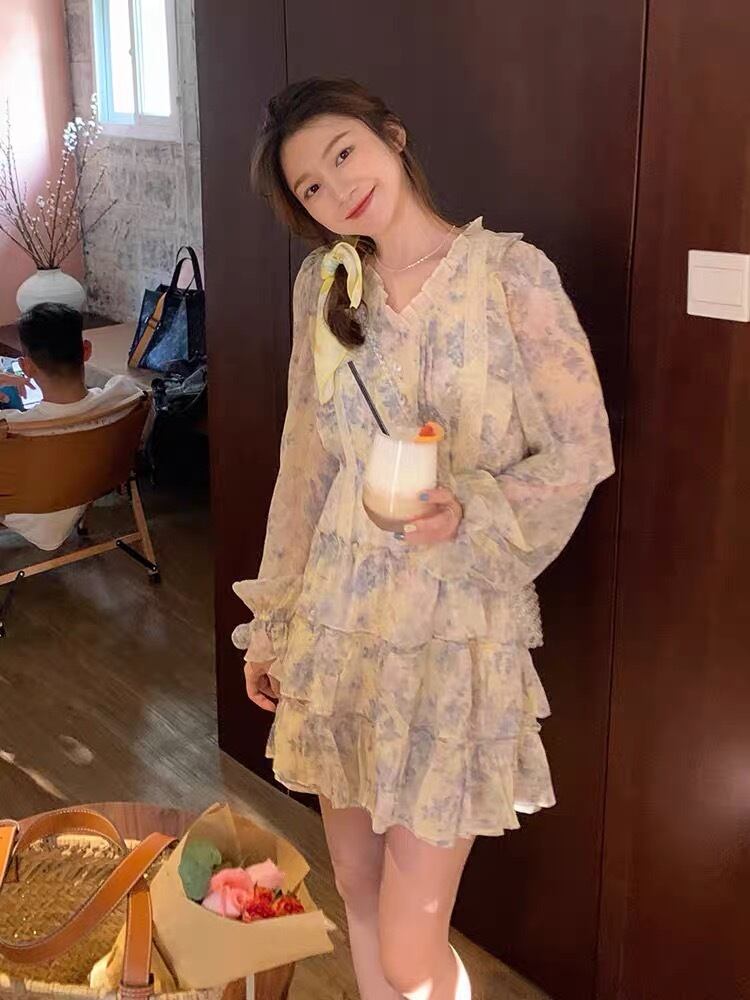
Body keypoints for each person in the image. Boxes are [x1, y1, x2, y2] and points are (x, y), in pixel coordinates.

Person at [234, 78, 615, 1000]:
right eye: (311, 187)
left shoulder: (510, 277)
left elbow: (583, 449)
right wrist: (274, 622)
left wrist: (470, 510)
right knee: (356, 886)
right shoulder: (324, 286)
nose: (338, 189)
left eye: (344, 154)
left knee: (412, 948)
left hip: (452, 632)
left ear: (392, 138)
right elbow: (304, 465)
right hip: (340, 618)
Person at [0, 303, 142, 551]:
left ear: (26, 367)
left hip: (27, 518)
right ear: (86, 350)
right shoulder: (126, 396)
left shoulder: (12, 429)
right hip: (90, 489)